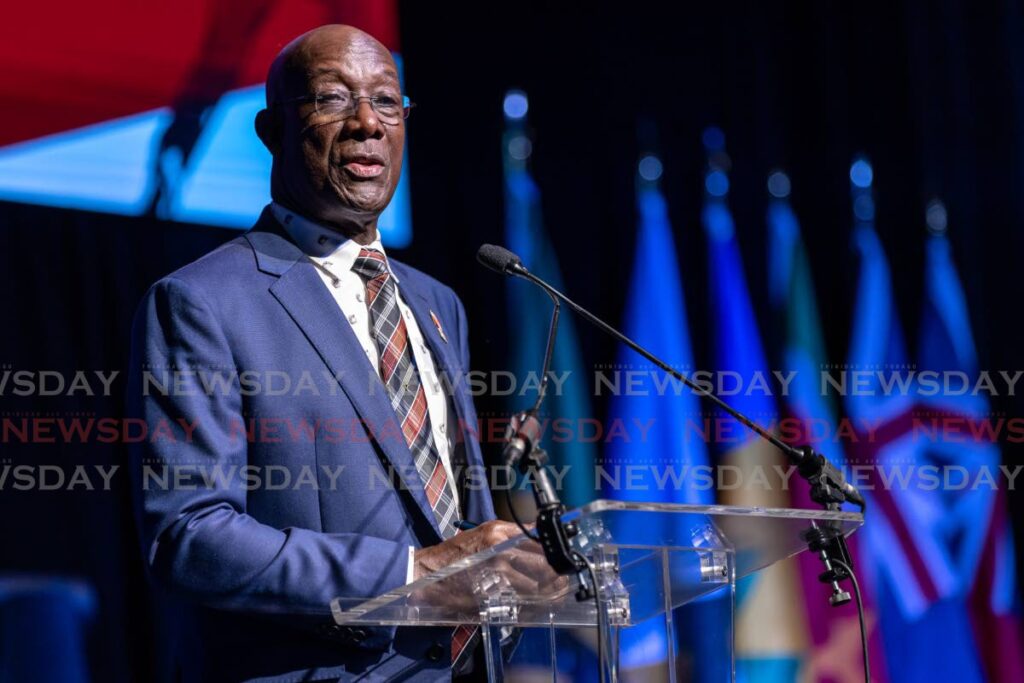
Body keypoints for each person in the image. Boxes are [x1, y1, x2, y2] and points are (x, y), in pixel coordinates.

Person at [128, 24, 550, 682]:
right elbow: (190, 537)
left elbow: (454, 510)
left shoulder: (439, 305)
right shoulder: (202, 302)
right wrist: (416, 576)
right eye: (332, 98)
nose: (366, 124)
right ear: (271, 132)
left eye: (387, 102)